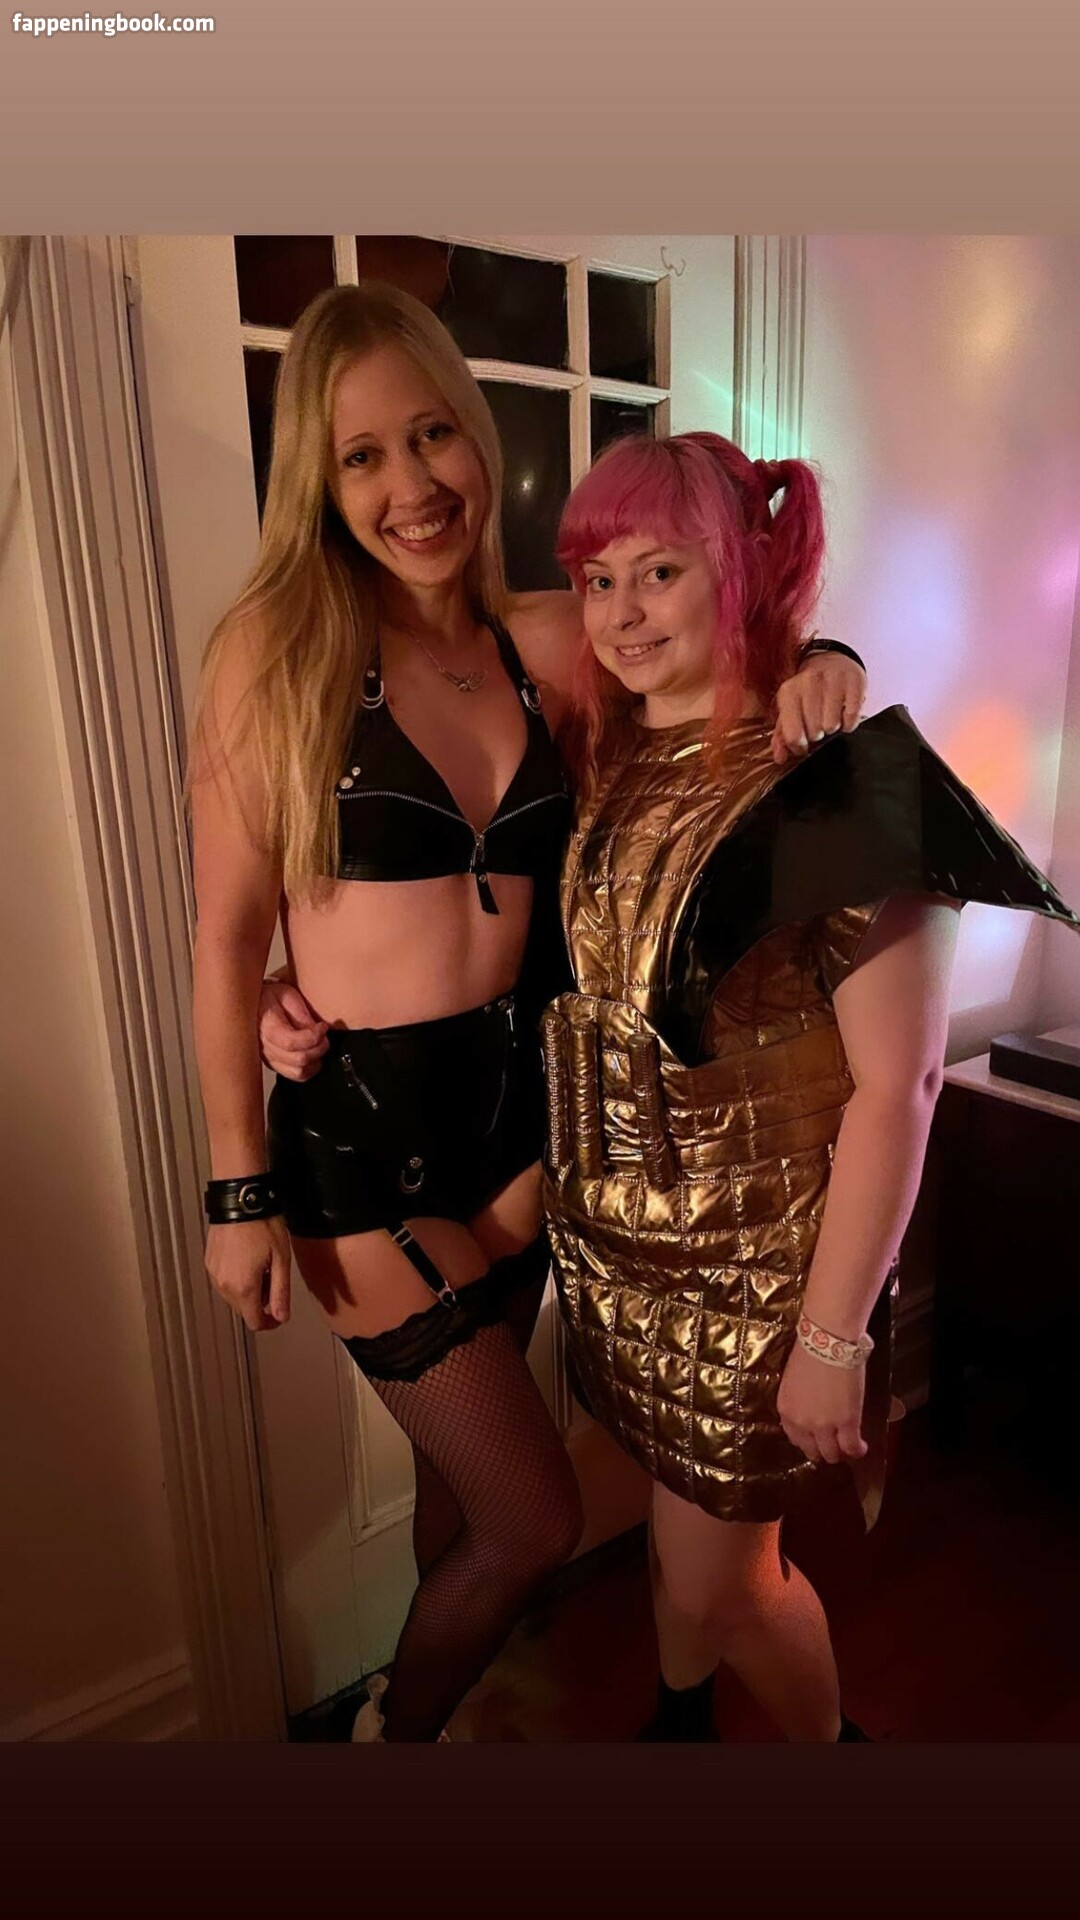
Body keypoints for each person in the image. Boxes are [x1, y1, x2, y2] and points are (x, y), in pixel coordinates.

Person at [202, 279, 862, 1744]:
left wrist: (833, 660)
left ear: (476, 436)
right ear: (318, 479)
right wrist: (236, 1188)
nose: (410, 483)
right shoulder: (279, 650)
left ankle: (430, 1715)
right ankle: (392, 1745)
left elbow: (718, 632)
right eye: (360, 455)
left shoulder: (544, 640)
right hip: (363, 1148)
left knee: (461, 1495)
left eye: (431, 434)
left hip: (523, 1135)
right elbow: (225, 930)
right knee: (532, 1517)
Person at [536, 428, 1079, 1743]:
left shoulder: (849, 790)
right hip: (622, 1256)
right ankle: (680, 1730)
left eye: (660, 571)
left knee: (727, 1586)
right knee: (683, 1551)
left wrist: (833, 1341)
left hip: (761, 1272)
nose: (620, 613)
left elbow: (902, 1089)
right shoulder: (613, 748)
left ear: (740, 568)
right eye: (598, 579)